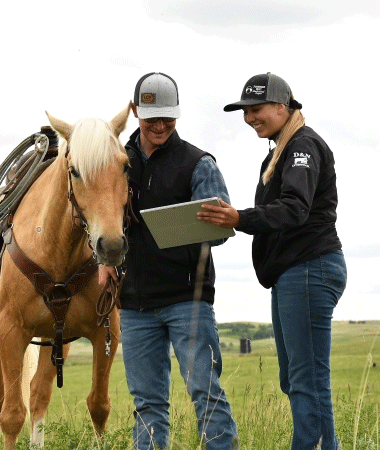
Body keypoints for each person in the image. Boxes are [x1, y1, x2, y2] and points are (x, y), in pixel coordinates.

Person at [198, 72, 347, 450]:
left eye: (257, 109)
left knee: (306, 379)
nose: (250, 117)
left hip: (310, 268)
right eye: (245, 111)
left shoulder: (302, 146)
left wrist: (240, 218)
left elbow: (295, 209)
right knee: (297, 378)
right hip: (295, 272)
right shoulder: (282, 147)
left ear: (283, 107)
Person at [99, 72, 239, 450]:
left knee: (205, 393)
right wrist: (103, 260)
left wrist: (198, 225)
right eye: (152, 117)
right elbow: (96, 217)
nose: (160, 126)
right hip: (134, 304)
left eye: (168, 118)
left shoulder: (199, 163)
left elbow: (222, 229)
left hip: (186, 301)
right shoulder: (117, 163)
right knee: (147, 404)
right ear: (135, 112)